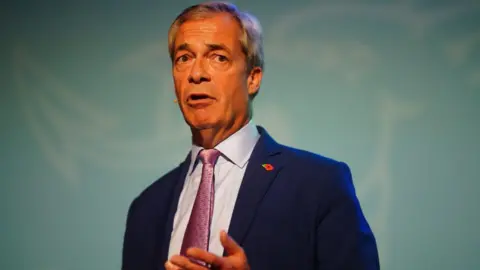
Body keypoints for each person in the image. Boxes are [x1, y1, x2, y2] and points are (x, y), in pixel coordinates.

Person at [121, 2, 380, 269]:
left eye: (218, 57)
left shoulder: (319, 185)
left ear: (253, 78)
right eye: (183, 59)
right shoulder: (146, 208)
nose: (196, 74)